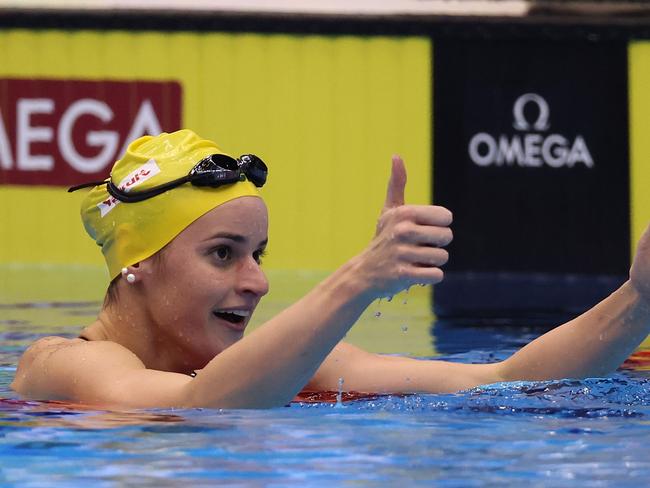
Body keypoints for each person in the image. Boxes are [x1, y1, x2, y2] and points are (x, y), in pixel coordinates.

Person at [10, 129, 650, 409]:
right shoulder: (63, 365)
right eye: (222, 253)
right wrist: (358, 281)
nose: (256, 281)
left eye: (258, 255)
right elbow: (202, 406)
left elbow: (506, 379)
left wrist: (638, 301)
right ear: (138, 263)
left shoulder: (279, 362)